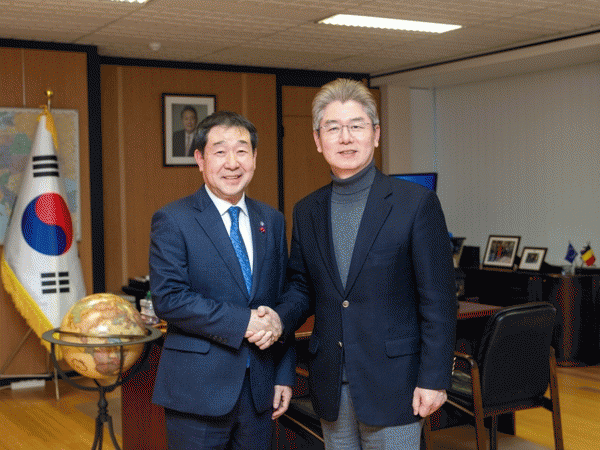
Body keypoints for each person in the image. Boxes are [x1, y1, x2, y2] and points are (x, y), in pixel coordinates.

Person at [272, 78, 457, 449]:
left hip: (397, 383)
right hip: (331, 383)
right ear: (317, 139)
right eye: (333, 128)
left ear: (375, 134)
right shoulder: (307, 210)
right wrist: (276, 319)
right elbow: (302, 287)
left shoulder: (415, 204)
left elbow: (438, 300)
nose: (345, 138)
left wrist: (435, 378)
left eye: (356, 126)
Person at [150, 111, 294, 449]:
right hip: (197, 392)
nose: (232, 163)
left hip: (260, 390)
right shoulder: (173, 219)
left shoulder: (271, 220)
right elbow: (169, 298)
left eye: (242, 151)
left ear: (254, 158)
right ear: (200, 159)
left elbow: (281, 301)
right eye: (220, 151)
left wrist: (284, 374)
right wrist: (244, 322)